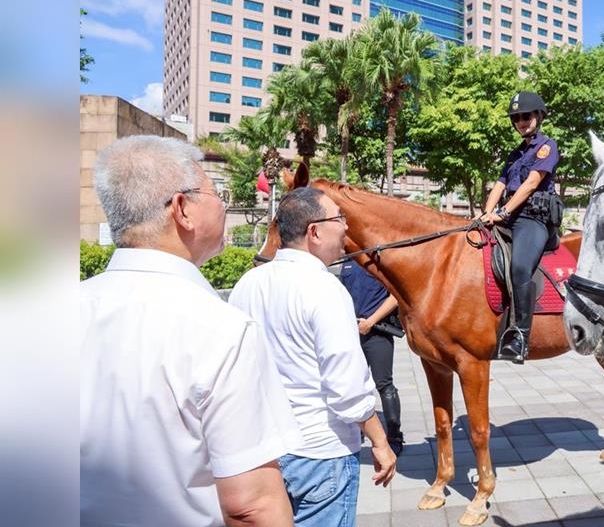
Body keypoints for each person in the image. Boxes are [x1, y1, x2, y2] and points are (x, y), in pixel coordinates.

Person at [80, 135, 301, 527]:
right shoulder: (221, 330)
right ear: (182, 209)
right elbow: (252, 507)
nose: (224, 205)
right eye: (216, 194)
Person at [229, 186, 397, 526]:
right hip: (321, 454)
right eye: (340, 218)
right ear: (315, 231)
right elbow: (346, 387)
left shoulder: (248, 283)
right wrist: (380, 440)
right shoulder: (324, 289)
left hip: (265, 451)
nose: (347, 227)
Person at [478, 91, 563, 364]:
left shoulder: (547, 146)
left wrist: (502, 211)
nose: (521, 122)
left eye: (526, 116)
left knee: (519, 267)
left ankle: (520, 336)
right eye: (516, 118)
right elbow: (500, 184)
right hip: (508, 218)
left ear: (538, 116)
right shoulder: (515, 154)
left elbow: (530, 184)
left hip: (533, 220)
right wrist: (486, 213)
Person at [340, 259, 405, 456]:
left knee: (384, 384)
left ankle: (394, 435)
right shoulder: (347, 262)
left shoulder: (380, 261)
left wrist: (371, 321)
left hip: (377, 332)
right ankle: (357, 431)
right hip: (351, 333)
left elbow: (395, 296)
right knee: (352, 384)